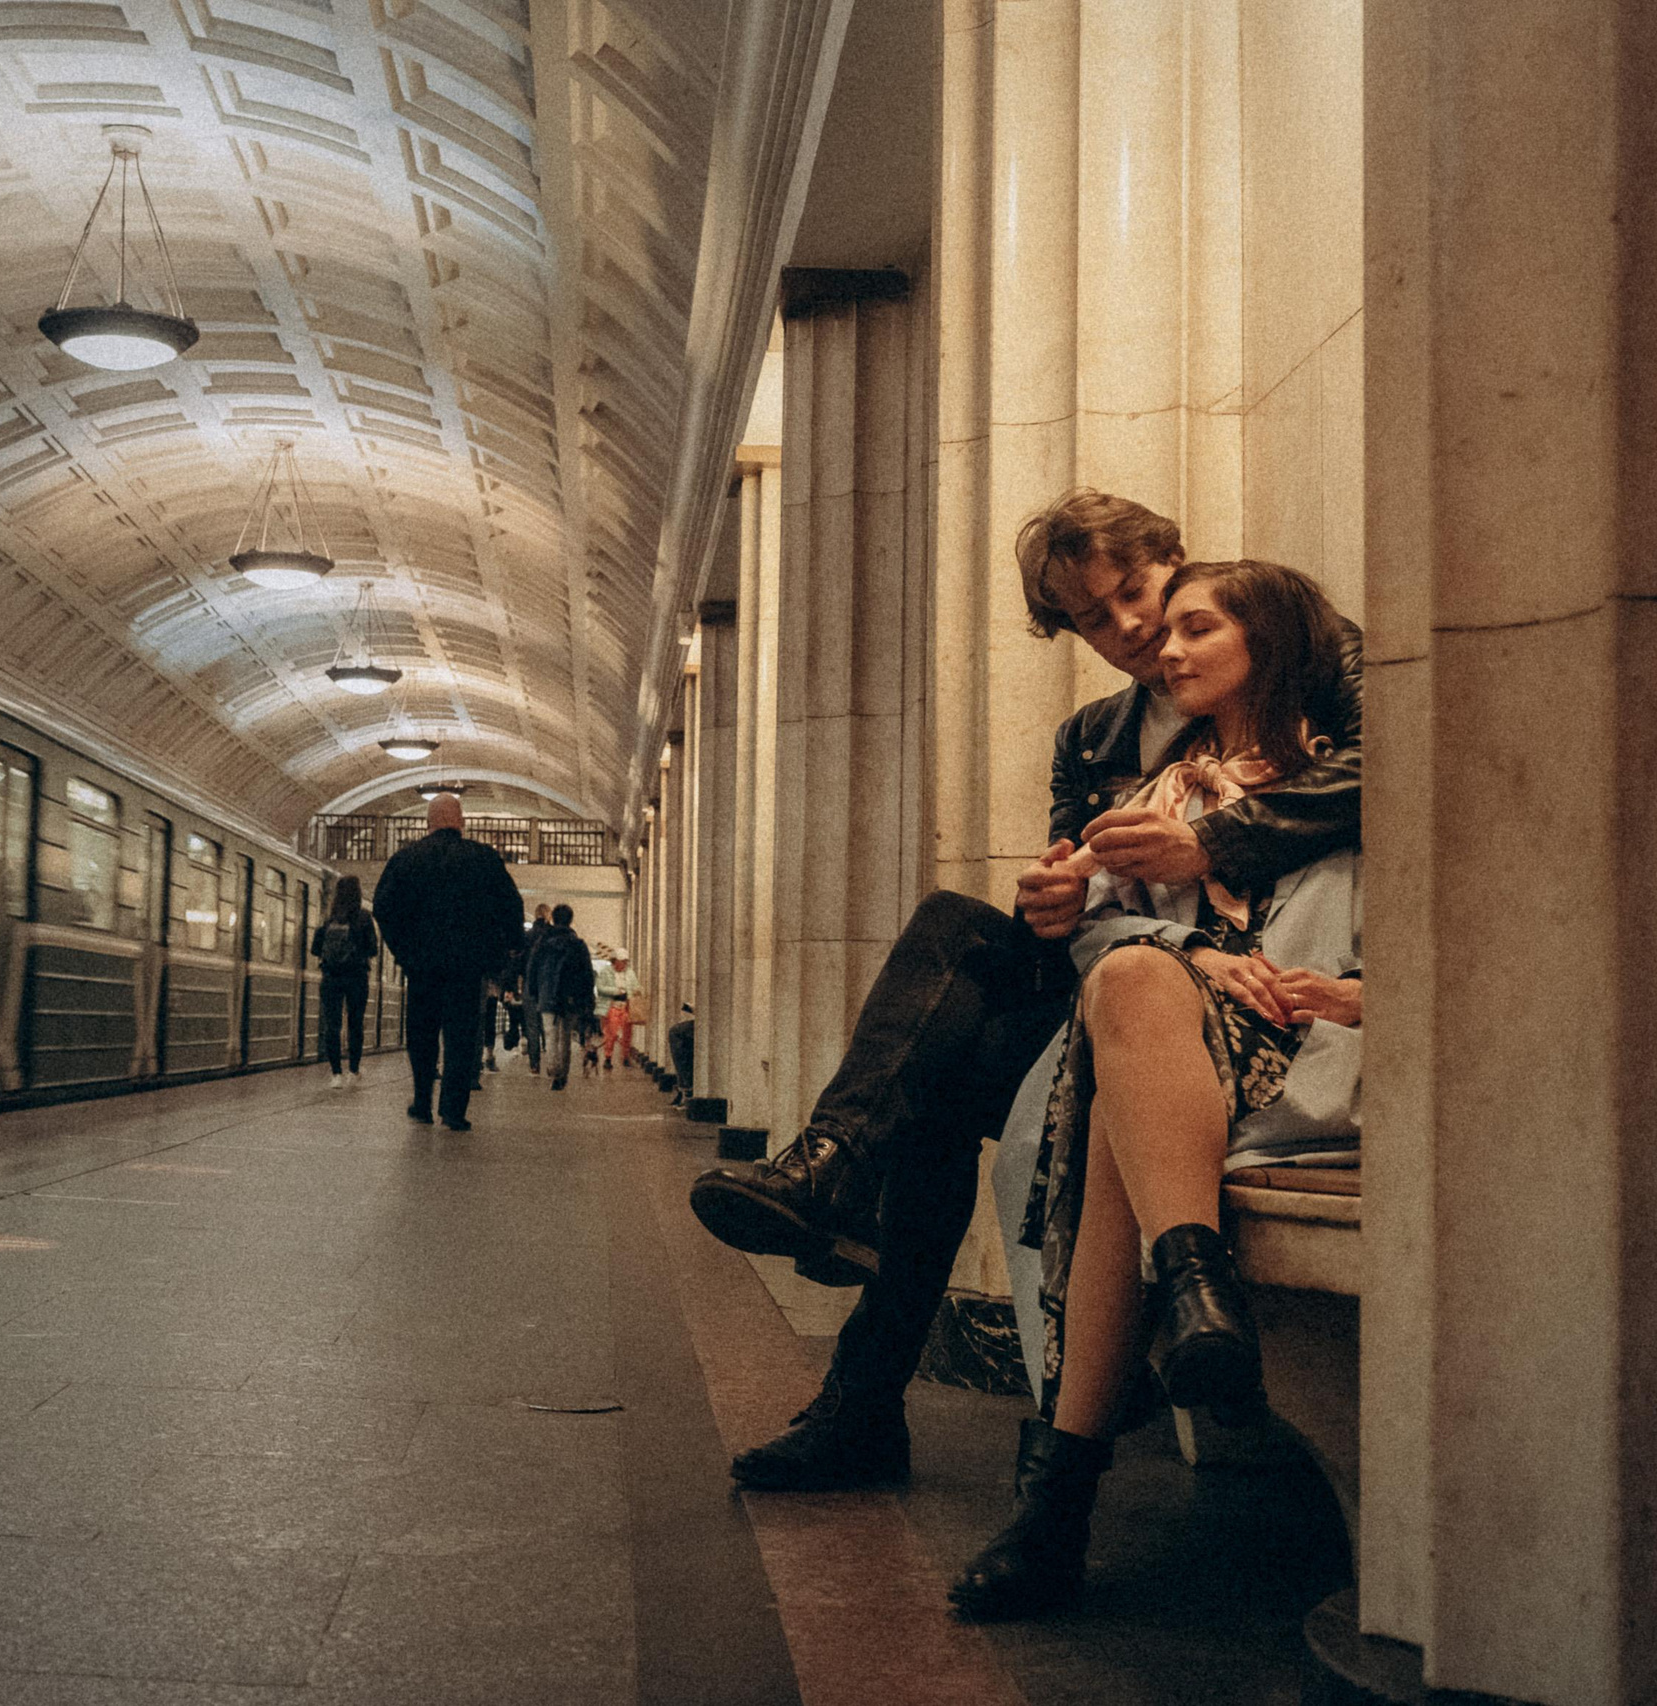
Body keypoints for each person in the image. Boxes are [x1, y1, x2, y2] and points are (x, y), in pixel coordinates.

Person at [686, 489, 1362, 1506]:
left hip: (1236, 998)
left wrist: (1216, 839)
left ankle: (837, 1225)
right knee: (958, 944)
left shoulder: (1290, 645)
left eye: (1138, 591)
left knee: (935, 1083)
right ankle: (848, 1270)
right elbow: (1081, 885)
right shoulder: (1091, 738)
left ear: (1176, 560)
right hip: (1119, 974)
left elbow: (1388, 756)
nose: (1131, 629)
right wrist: (1053, 901)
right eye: (1095, 617)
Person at [952, 559, 1363, 1621]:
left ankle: (1057, 1506)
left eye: (1194, 628)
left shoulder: (1348, 778)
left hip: (1313, 1040)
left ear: (1266, 639)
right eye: (1162, 633)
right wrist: (1149, 935)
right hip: (1177, 1037)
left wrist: (1357, 993)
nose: (1162, 651)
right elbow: (1095, 921)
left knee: (1111, 1126)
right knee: (1132, 981)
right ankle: (1194, 1288)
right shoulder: (1163, 784)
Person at [372, 792, 525, 1130]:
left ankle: (422, 1102)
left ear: (428, 823)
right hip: (467, 968)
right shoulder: (483, 859)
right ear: (462, 823)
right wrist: (507, 949)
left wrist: (404, 950)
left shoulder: (406, 859)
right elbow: (510, 907)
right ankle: (454, 1110)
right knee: (460, 1035)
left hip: (422, 966)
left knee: (422, 1034)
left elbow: (383, 909)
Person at [310, 874, 378, 1088]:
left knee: (333, 1025)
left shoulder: (329, 918)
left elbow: (315, 949)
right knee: (355, 1024)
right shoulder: (364, 917)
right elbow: (373, 950)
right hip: (356, 977)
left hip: (331, 977)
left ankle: (336, 1074)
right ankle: (353, 1071)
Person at [523, 903, 597, 1089]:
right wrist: (587, 999)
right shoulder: (578, 944)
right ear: (570, 920)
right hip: (570, 997)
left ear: (553, 919)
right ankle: (561, 1074)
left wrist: (533, 990)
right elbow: (587, 974)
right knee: (565, 1035)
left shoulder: (542, 943)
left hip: (547, 994)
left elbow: (532, 968)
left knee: (550, 1033)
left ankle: (553, 1068)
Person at [522, 903, 552, 1070]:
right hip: (548, 986)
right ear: (548, 915)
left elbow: (518, 961)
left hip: (529, 983)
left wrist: (512, 984)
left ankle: (534, 1064)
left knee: (532, 1025)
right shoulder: (552, 935)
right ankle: (552, 1063)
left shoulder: (527, 936)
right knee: (549, 1025)